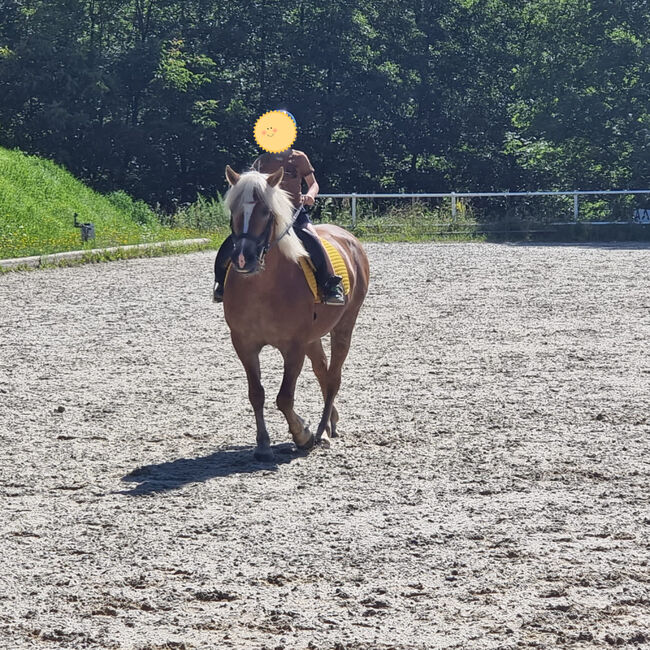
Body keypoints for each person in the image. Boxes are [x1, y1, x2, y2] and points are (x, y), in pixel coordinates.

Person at [213, 147, 345, 305]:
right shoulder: (262, 161)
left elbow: (313, 183)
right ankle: (221, 284)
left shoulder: (299, 158)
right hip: (268, 213)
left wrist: (310, 194)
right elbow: (251, 185)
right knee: (232, 242)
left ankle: (330, 284)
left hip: (294, 211)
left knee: (313, 238)